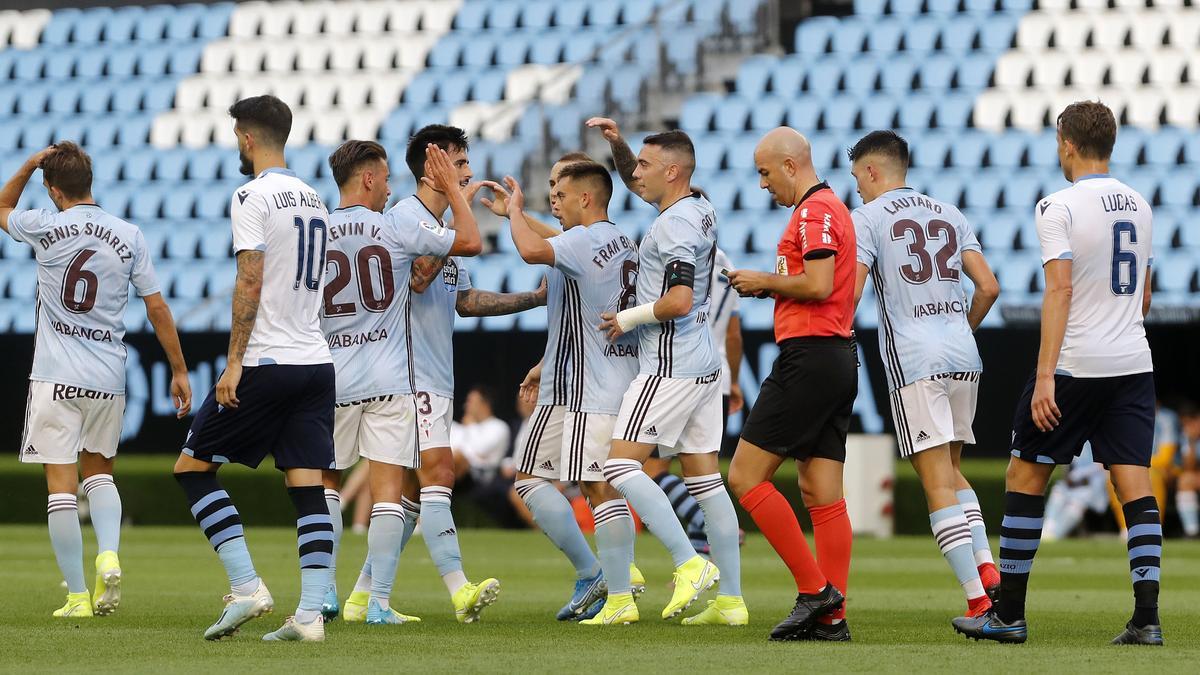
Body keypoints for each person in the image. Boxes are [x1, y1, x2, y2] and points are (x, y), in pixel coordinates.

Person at [953, 101, 1162, 646]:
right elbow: (1142, 297)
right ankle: (1146, 620)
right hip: (1133, 363)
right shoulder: (1140, 204)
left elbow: (1060, 290)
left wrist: (1046, 376)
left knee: (1024, 477)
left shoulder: (1058, 205)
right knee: (1134, 486)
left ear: (1067, 143)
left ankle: (1008, 615)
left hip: (1075, 365)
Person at [349, 124, 545, 624]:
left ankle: (363, 595)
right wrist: (457, 206)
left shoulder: (437, 225)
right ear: (431, 167)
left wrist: (534, 298)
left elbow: (466, 301)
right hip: (407, 373)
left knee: (412, 495)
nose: (469, 173)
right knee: (438, 474)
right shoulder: (407, 219)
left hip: (433, 372)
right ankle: (459, 589)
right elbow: (423, 275)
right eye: (458, 163)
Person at [0, 142, 190, 619]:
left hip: (55, 375)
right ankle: (109, 551)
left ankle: (78, 597)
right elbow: (157, 307)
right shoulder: (129, 234)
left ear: (52, 189)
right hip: (108, 376)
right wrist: (179, 369)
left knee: (61, 488)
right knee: (100, 473)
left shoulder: (45, 225)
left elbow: (1, 207)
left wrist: (27, 164)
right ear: (90, 181)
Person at [172, 95, 335, 642]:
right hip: (315, 360)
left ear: (246, 137)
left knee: (191, 470)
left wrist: (233, 362)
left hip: (267, 359)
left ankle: (246, 587)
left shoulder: (251, 194)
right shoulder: (314, 198)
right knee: (307, 485)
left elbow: (250, 279)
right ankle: (310, 616)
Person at [587, 121, 747, 627]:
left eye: (648, 165)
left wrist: (626, 318)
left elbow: (677, 300)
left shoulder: (675, 225)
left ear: (673, 171)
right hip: (706, 366)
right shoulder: (699, 207)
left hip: (670, 363)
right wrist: (618, 145)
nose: (637, 173)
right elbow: (637, 180)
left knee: (618, 467)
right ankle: (732, 602)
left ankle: (688, 562)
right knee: (706, 482)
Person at [320, 138, 481, 625]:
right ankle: (379, 604)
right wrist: (455, 195)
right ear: (368, 178)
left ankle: (324, 592)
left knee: (326, 486)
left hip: (330, 374)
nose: (391, 188)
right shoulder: (394, 227)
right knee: (389, 492)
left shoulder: (318, 232)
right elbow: (469, 243)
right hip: (390, 376)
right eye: (386, 178)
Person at [848, 130, 1003, 627]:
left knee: (934, 480)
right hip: (964, 355)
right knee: (953, 471)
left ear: (873, 171)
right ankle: (987, 567)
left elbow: (850, 293)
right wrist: (961, 327)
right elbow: (989, 286)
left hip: (916, 360)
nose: (857, 189)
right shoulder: (949, 213)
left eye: (857, 179)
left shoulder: (867, 218)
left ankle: (977, 599)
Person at [724, 127, 856, 642]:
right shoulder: (829, 209)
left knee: (744, 477)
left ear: (790, 165)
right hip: (837, 355)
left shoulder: (814, 212)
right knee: (821, 491)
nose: (762, 185)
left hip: (810, 356)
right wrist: (777, 289)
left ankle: (814, 590)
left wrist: (765, 281)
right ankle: (833, 618)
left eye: (764, 172)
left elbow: (818, 285)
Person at [501, 161, 646, 624]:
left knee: (600, 486)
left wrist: (517, 213)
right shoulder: (618, 239)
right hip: (570, 376)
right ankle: (595, 573)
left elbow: (530, 251)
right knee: (532, 478)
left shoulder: (584, 240)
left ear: (585, 197)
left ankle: (620, 591)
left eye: (559, 192)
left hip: (590, 384)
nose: (553, 200)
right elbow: (555, 243)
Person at [642, 246, 744, 554]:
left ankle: (703, 522)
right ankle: (703, 563)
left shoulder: (675, 261)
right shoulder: (727, 264)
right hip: (720, 376)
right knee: (703, 474)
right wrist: (735, 381)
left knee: (651, 470)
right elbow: (734, 335)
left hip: (682, 372)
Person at [451, 385, 512, 481]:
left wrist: (471, 426)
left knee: (455, 458)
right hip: (460, 471)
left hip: (482, 475)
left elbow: (481, 449)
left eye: (470, 401)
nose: (466, 405)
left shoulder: (499, 427)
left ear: (485, 404)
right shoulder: (463, 427)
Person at [1173, 402, 1199, 538]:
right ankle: (1192, 532)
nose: (1188, 427)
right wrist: (1192, 442)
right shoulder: (1188, 438)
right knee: (1185, 480)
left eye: (1190, 423)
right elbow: (1189, 467)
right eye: (1184, 424)